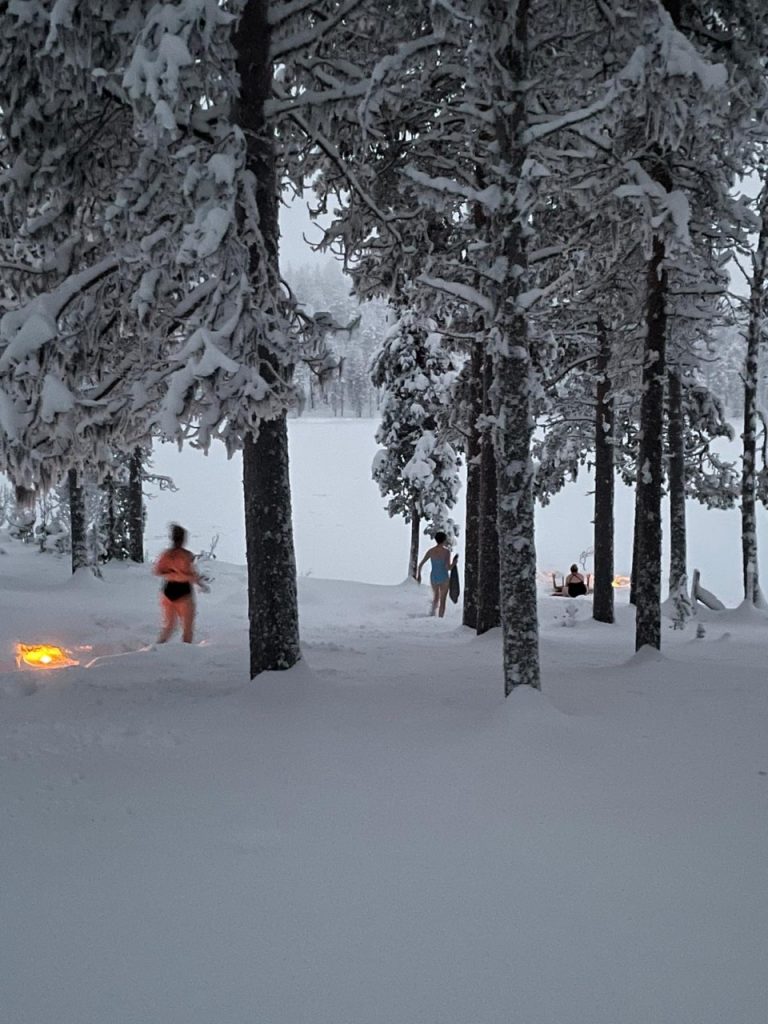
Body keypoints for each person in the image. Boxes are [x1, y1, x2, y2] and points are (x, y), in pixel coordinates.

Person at [153, 524, 205, 643]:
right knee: (187, 628)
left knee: (169, 626)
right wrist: (195, 580)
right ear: (183, 539)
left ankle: (158, 648)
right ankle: (186, 652)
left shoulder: (165, 555)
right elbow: (190, 574)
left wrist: (171, 573)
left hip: (168, 591)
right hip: (183, 593)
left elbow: (157, 570)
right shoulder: (186, 555)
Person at [416, 531, 458, 618]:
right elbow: (448, 568)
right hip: (444, 577)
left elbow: (421, 564)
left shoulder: (431, 551)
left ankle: (432, 613)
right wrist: (454, 563)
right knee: (443, 600)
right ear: (444, 540)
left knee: (436, 596)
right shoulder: (446, 552)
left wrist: (419, 575)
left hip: (434, 576)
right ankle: (440, 618)